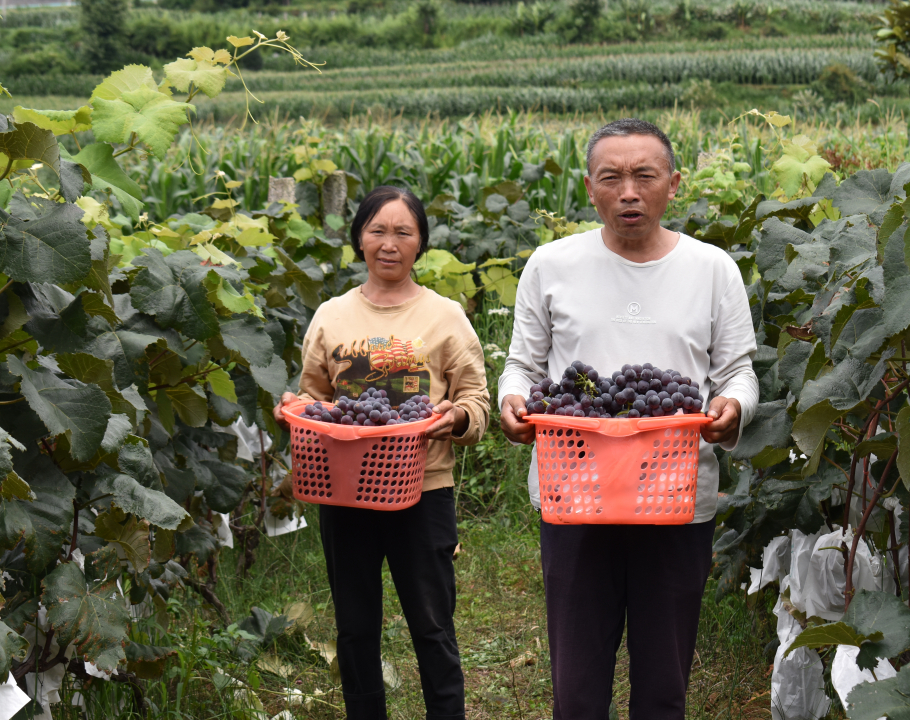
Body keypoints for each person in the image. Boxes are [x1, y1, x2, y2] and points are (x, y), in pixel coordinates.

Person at [498, 118, 759, 719]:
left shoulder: (712, 268)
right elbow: (522, 365)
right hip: (576, 491)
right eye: (612, 177)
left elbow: (738, 372)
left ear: (673, 183)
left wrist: (733, 407)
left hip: (674, 494)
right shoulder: (551, 264)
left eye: (644, 175)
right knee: (578, 685)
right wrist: (512, 401)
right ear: (589, 187)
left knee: (664, 683)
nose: (629, 191)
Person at [274, 185, 490, 720]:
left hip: (423, 492)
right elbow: (316, 401)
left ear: (420, 243)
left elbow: (476, 402)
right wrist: (296, 408)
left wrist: (453, 419)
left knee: (433, 627)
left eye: (403, 232)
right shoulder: (331, 316)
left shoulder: (445, 317)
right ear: (359, 239)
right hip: (345, 493)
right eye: (377, 230)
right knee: (355, 628)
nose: (388, 243)